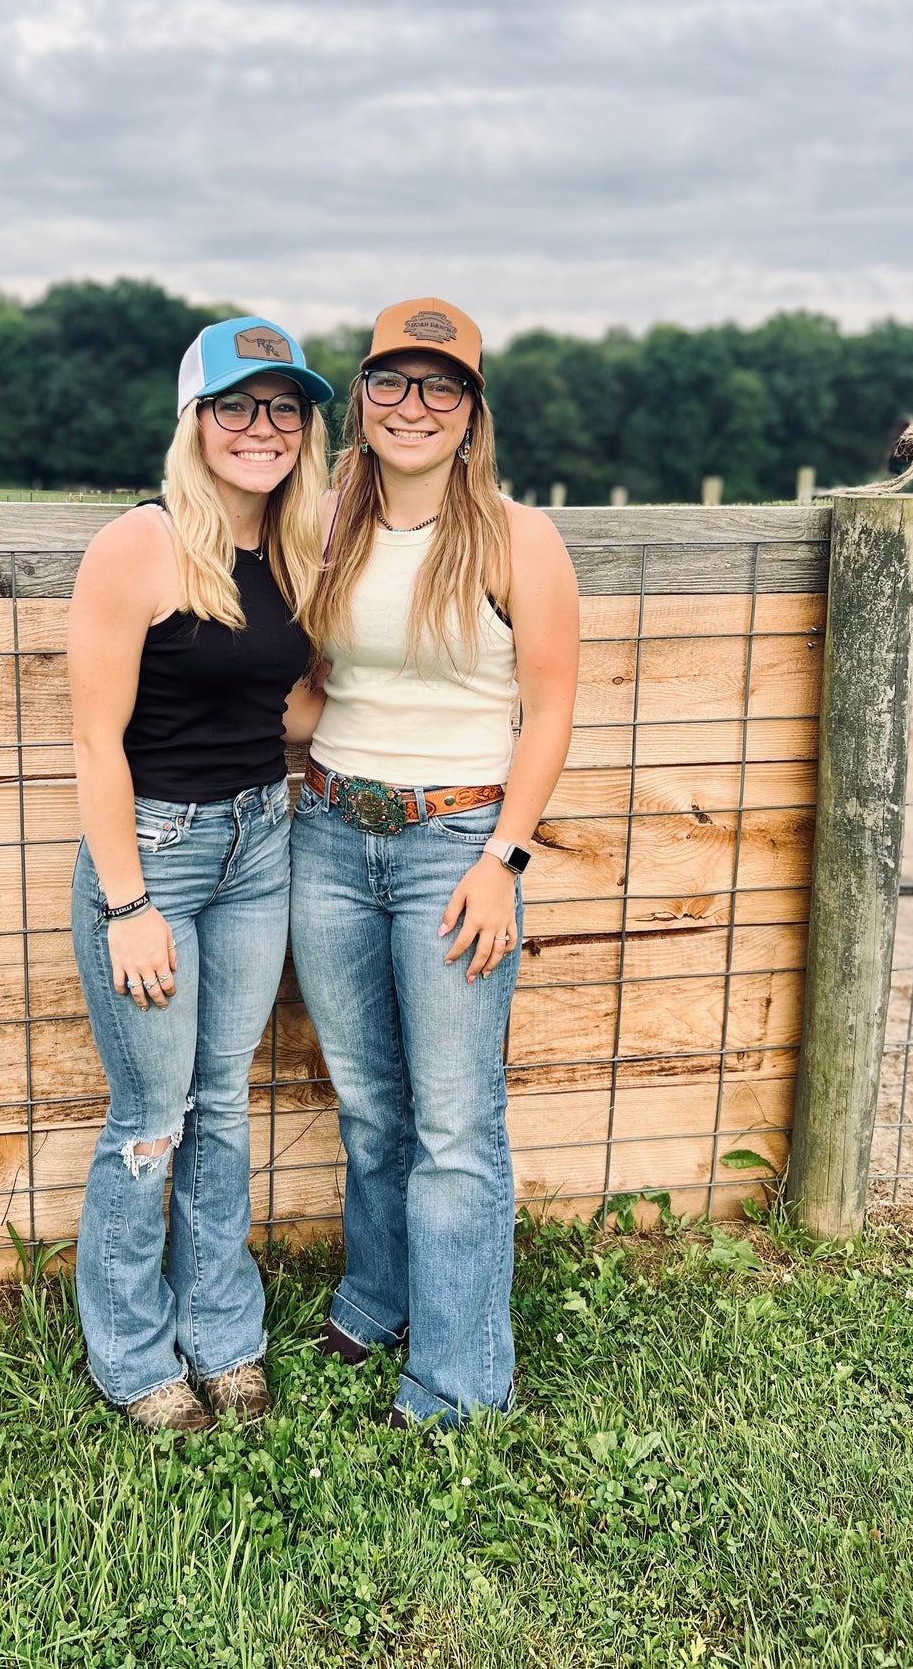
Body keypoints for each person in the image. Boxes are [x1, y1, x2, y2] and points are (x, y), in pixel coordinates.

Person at [291, 296, 579, 1430]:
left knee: (455, 1121)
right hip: (325, 833)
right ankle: (379, 1294)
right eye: (391, 382)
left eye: (439, 387)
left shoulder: (517, 536)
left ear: (470, 412)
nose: (413, 406)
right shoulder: (321, 521)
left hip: (455, 842)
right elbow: (312, 678)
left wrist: (503, 858)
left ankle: (461, 1378)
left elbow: (549, 710)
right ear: (360, 398)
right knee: (367, 1103)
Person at [67, 316, 333, 1433]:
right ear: (194, 421)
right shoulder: (137, 545)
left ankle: (222, 1331)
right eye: (236, 406)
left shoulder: (295, 547)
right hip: (158, 860)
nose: (260, 428)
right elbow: (94, 742)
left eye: (282, 408)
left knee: (222, 1102)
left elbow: (287, 703)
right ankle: (131, 1350)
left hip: (257, 842)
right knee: (152, 1114)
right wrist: (126, 901)